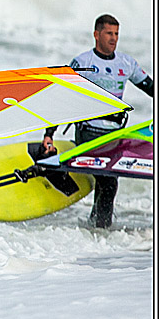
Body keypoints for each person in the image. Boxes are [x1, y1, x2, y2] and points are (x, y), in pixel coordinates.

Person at [41, 14, 152, 228]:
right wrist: (49, 134)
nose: (113, 39)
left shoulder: (126, 63)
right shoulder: (82, 63)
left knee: (108, 183)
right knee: (108, 182)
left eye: (116, 34)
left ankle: (96, 230)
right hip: (89, 132)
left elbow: (150, 88)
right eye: (109, 33)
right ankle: (100, 232)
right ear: (96, 34)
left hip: (115, 134)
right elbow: (60, 98)